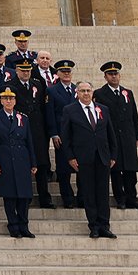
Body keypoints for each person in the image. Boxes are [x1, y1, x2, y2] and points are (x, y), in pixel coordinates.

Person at [59, 81, 118, 238]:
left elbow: (110, 133)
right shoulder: (70, 110)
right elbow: (66, 136)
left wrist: (113, 154)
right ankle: (94, 226)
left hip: (102, 156)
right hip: (83, 158)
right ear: (76, 93)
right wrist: (70, 157)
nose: (86, 93)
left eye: (89, 91)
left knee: (103, 192)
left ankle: (104, 225)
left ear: (93, 92)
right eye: (83, 91)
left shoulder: (103, 109)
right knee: (89, 193)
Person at [94, 61, 138, 209]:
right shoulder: (99, 94)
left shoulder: (127, 93)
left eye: (116, 74)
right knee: (116, 169)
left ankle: (132, 197)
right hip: (112, 137)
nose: (114, 77)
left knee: (130, 169)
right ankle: (120, 198)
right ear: (105, 77)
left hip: (128, 137)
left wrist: (137, 135)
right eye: (110, 74)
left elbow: (134, 115)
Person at [0, 88, 37, 238]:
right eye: (5, 98)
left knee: (24, 195)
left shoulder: (23, 118)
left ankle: (24, 225)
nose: (9, 101)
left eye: (11, 98)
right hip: (5, 158)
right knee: (10, 195)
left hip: (22, 159)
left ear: (15, 101)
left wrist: (33, 162)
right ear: (1, 101)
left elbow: (29, 141)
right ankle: (13, 225)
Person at [12, 60, 57, 208]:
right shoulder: (10, 86)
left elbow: (44, 106)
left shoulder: (38, 84)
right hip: (21, 129)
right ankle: (26, 196)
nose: (26, 73)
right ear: (17, 70)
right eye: (23, 70)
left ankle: (45, 196)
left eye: (28, 70)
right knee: (23, 164)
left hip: (38, 130)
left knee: (42, 164)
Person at [45, 60, 79, 208]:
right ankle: (68, 198)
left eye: (69, 71)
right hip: (61, 135)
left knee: (81, 167)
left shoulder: (78, 89)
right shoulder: (52, 90)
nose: (66, 74)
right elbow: (50, 113)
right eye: (63, 71)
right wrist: (53, 133)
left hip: (78, 135)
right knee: (63, 169)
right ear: (57, 73)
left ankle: (82, 197)